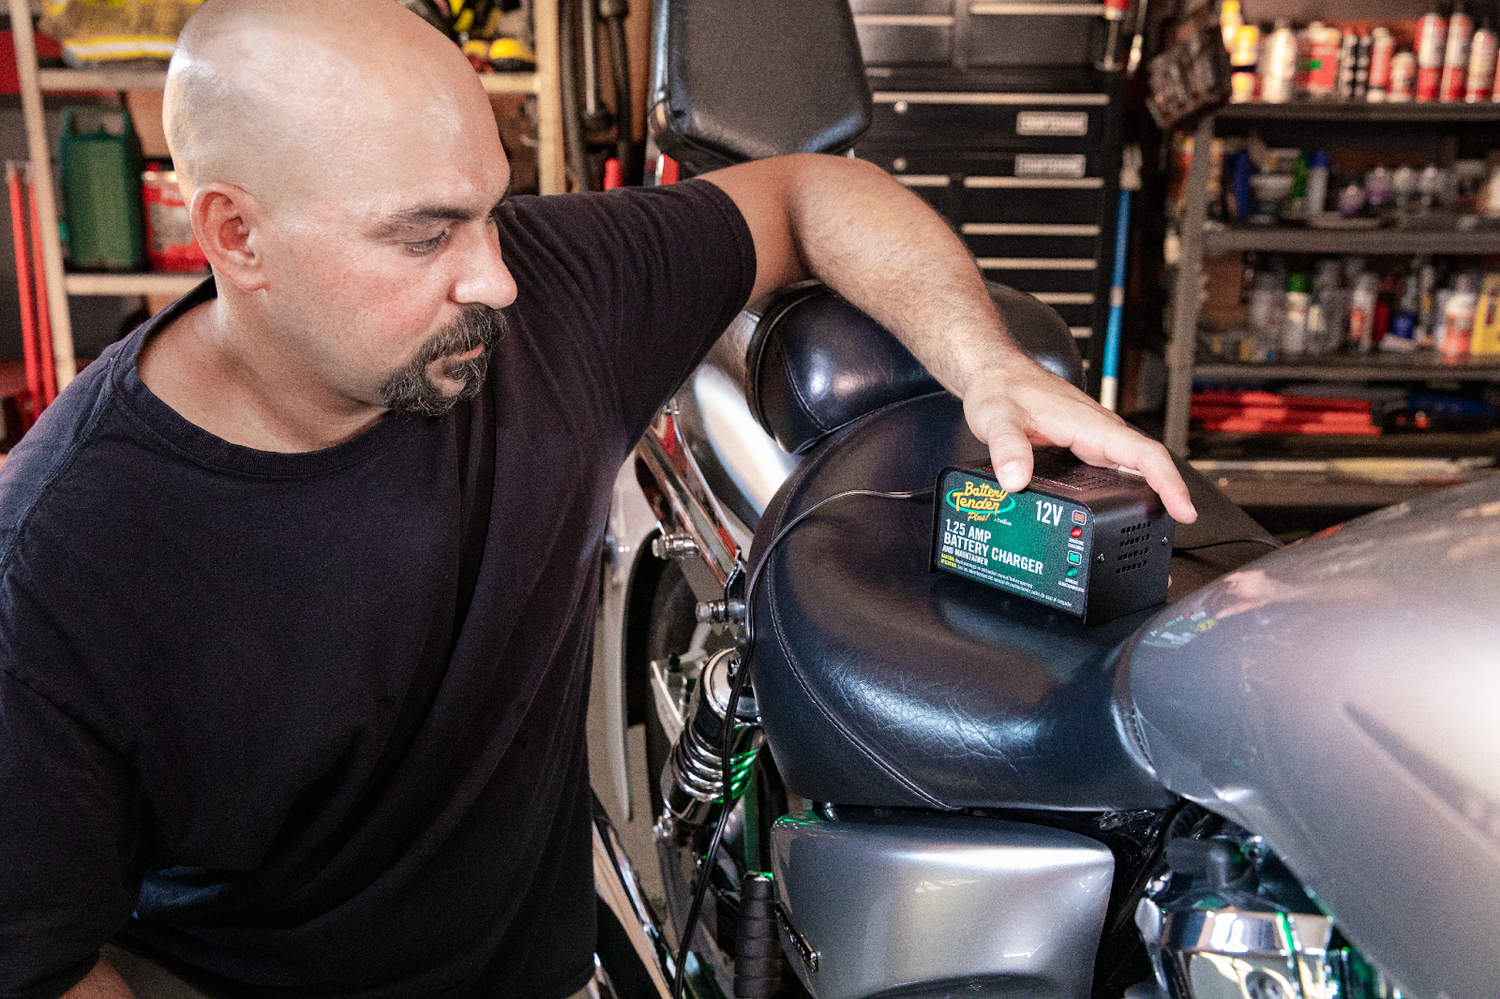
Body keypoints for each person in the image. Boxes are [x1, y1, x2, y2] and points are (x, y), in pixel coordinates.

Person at [0, 2, 1197, 998]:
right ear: (235, 235)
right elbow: (39, 967)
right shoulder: (56, 568)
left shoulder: (545, 293)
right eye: (423, 237)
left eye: (489, 208)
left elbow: (809, 192)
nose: (495, 276)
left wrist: (989, 369)